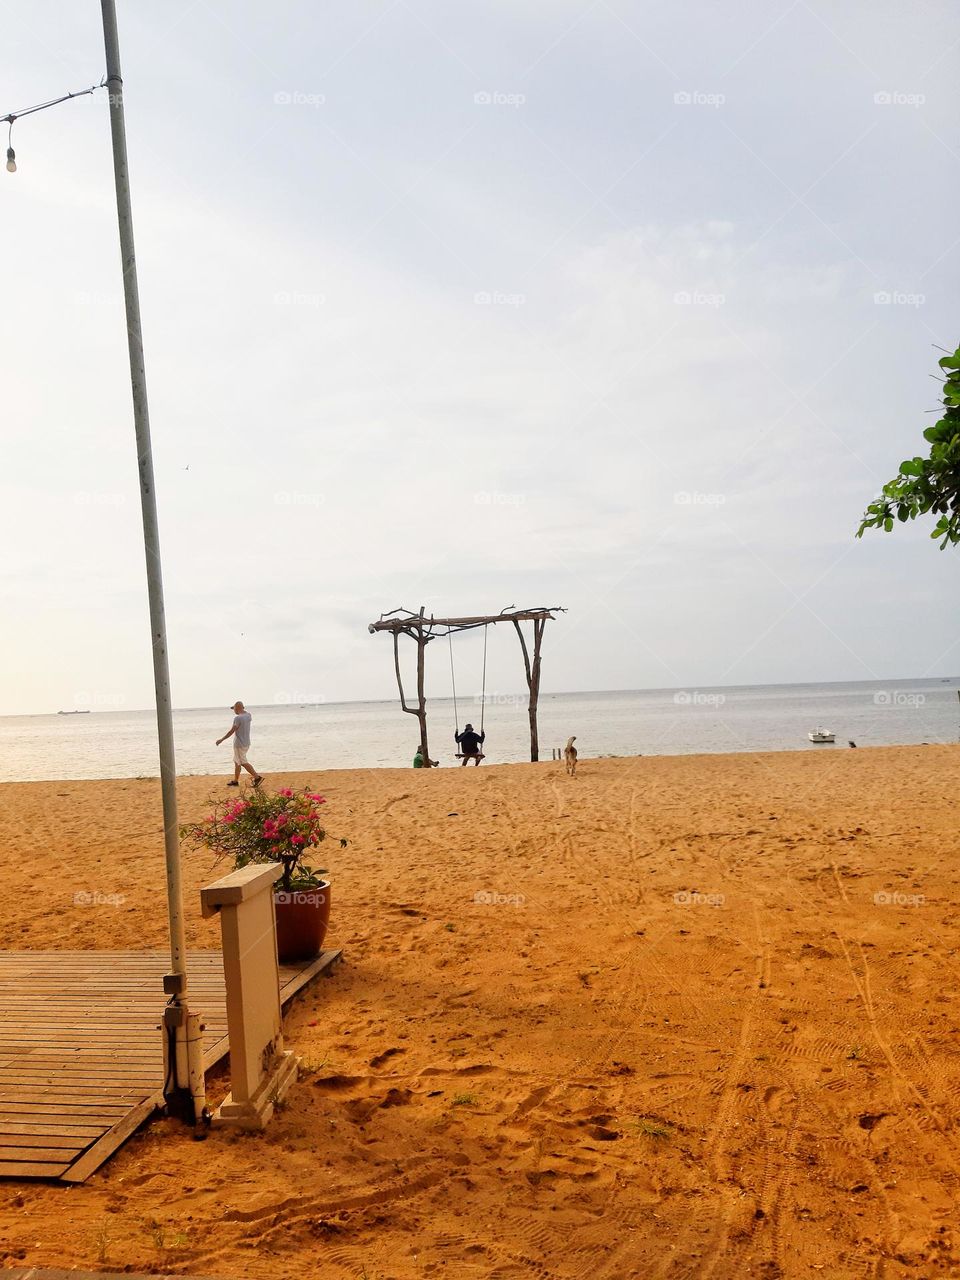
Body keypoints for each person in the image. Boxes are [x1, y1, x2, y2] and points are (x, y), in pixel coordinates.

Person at [216, 701, 263, 787]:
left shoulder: (238, 718)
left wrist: (221, 739)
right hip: (246, 743)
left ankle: (257, 777)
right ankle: (235, 781)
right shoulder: (248, 715)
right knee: (237, 762)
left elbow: (232, 731)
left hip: (239, 744)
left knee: (243, 762)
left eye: (234, 709)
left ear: (237, 708)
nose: (233, 711)